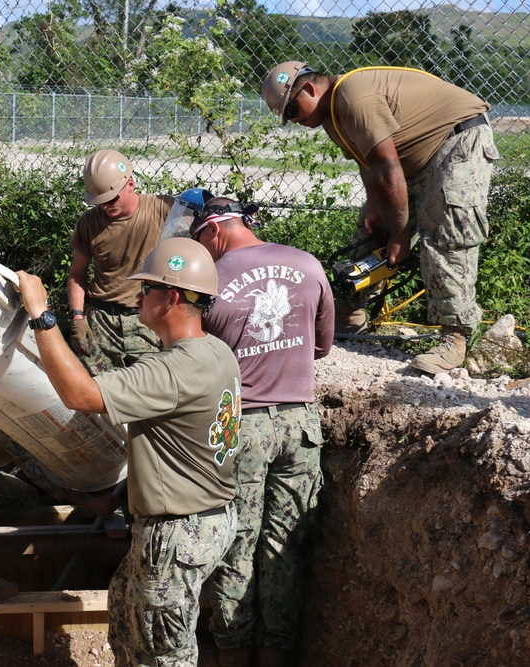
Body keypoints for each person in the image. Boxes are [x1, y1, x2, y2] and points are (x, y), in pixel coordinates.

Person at [16, 237, 241, 666]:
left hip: (176, 533)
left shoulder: (172, 370)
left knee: (163, 653)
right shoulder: (217, 352)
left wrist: (41, 316)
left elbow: (80, 395)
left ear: (171, 298)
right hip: (204, 522)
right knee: (127, 619)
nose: (139, 296)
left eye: (148, 289)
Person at [261, 61, 499, 374]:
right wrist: (375, 206)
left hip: (456, 141)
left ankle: (455, 338)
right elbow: (368, 162)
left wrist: (400, 234)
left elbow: (388, 168)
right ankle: (349, 312)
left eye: (292, 110)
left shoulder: (352, 98)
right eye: (286, 118)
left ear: (309, 89)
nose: (294, 121)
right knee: (372, 230)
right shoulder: (332, 114)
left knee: (445, 234)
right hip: (418, 158)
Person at [189, 197, 334, 667]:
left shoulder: (211, 280)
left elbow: (198, 360)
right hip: (300, 424)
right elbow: (322, 346)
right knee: (284, 544)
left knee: (236, 543)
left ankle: (231, 655)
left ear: (214, 231)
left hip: (241, 426)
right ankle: (275, 655)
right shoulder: (308, 265)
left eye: (200, 242)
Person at [68, 149, 175, 374]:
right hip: (101, 323)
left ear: (130, 184)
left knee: (153, 391)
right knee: (99, 396)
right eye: (99, 202)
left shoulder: (164, 210)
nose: (106, 206)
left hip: (148, 319)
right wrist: (77, 317)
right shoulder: (89, 223)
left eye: (111, 199)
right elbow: (77, 273)